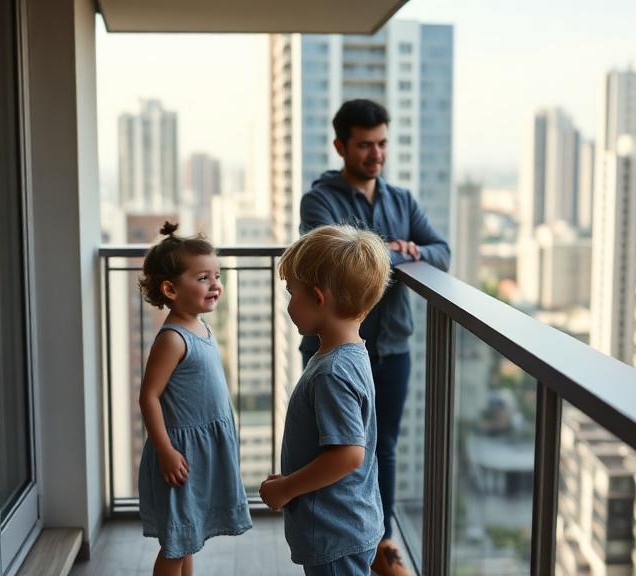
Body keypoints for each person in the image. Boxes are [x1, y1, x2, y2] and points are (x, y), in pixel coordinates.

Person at [299, 99, 450, 576]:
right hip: (334, 347)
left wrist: (405, 250)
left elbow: (441, 252)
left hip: (392, 348)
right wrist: (399, 253)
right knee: (334, 447)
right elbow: (331, 261)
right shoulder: (320, 199)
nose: (376, 153)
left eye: (382, 143)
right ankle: (336, 540)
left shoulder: (401, 199)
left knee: (383, 447)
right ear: (341, 145)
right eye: (365, 145)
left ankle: (380, 542)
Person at [259, 224, 390, 576]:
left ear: (318, 297)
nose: (289, 303)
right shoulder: (353, 354)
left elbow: (347, 455)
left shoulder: (333, 372)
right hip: (347, 522)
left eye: (292, 293)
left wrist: (287, 488)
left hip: (335, 531)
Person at [137, 222, 252, 576]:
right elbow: (148, 397)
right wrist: (166, 451)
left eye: (216, 276)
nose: (215, 284)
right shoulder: (173, 338)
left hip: (200, 453)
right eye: (203, 278)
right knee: (176, 543)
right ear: (170, 289)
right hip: (181, 454)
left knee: (188, 537)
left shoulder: (200, 326)